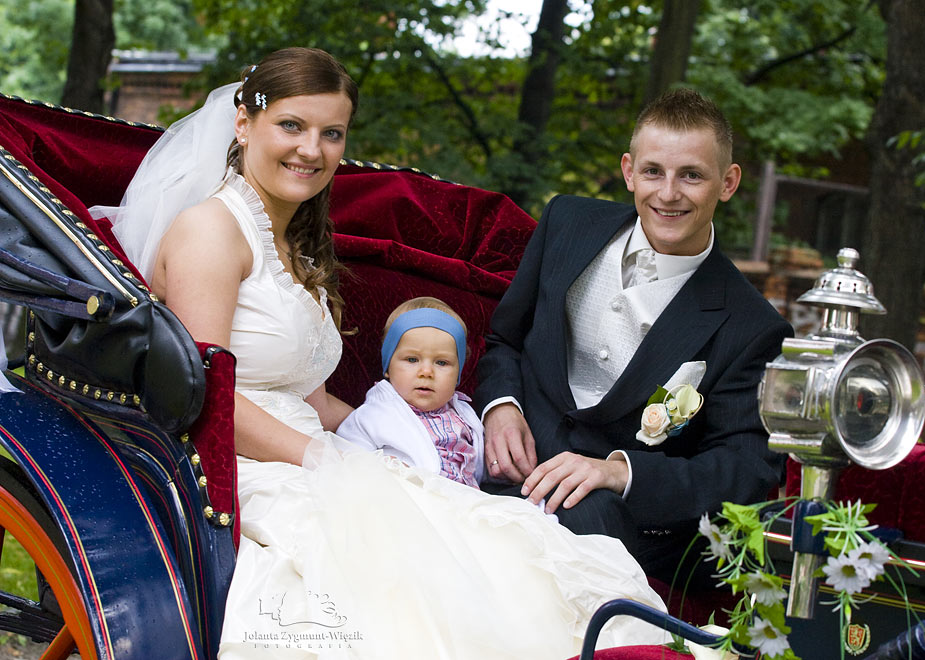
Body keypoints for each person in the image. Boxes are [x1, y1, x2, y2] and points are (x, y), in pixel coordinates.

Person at [95, 47, 675, 659]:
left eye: (331, 133)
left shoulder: (295, 247)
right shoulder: (211, 230)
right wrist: (330, 459)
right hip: (237, 470)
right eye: (291, 125)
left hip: (316, 457)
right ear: (244, 123)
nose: (311, 150)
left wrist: (404, 438)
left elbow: (315, 402)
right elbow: (205, 394)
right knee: (414, 590)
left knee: (494, 547)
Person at [474, 88, 794, 583]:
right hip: (504, 468)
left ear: (728, 182)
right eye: (653, 172)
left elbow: (745, 469)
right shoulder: (567, 222)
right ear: (629, 171)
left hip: (612, 521)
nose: (668, 193)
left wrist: (622, 471)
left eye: (691, 175)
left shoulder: (753, 326)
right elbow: (504, 341)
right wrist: (501, 407)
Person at [338, 297, 485, 488]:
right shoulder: (373, 415)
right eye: (412, 359)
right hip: (403, 497)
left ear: (458, 372)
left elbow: (482, 466)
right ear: (388, 366)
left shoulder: (465, 417)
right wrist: (382, 471)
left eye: (441, 362)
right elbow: (346, 458)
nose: (426, 372)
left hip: (465, 501)